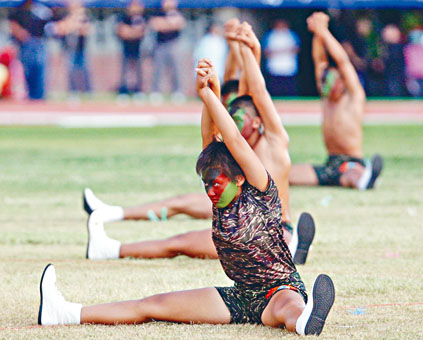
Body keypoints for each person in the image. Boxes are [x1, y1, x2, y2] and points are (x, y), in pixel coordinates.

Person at [38, 50, 335, 336]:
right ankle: (65, 313)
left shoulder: (261, 191)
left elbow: (232, 137)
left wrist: (209, 95)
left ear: (240, 178)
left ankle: (304, 321)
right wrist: (207, 92)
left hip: (279, 289)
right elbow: (210, 140)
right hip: (241, 298)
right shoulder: (220, 198)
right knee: (151, 305)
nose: (210, 191)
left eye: (216, 183)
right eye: (206, 184)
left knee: (289, 308)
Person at [83, 20, 315, 265]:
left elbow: (256, 93)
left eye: (238, 119)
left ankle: (110, 248)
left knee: (178, 242)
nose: (233, 124)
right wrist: (209, 90)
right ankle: (110, 233)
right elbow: (214, 129)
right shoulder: (232, 150)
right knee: (179, 227)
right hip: (240, 225)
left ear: (257, 122)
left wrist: (248, 50)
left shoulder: (273, 144)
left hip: (268, 231)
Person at [288, 12, 383, 190]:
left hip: (351, 163)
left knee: (351, 178)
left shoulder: (353, 97)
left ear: (342, 83)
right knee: (288, 174)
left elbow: (343, 61)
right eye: (324, 81)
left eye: (331, 81)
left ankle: (366, 177)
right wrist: (316, 32)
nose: (325, 85)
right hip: (330, 164)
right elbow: (320, 61)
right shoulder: (327, 98)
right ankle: (364, 178)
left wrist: (324, 31)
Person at [8, 0, 53, 100]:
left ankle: (39, 96)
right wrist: (21, 34)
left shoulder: (42, 10)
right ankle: (29, 96)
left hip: (39, 42)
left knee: (40, 70)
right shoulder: (18, 9)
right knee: (27, 71)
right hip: (26, 44)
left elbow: (49, 26)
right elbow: (13, 24)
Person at [149, 0, 186, 103]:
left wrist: (166, 24)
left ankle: (178, 91)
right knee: (158, 69)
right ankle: (156, 91)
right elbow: (156, 25)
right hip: (160, 44)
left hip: (174, 44)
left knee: (176, 68)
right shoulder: (157, 13)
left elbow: (180, 24)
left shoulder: (178, 13)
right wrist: (170, 24)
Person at [261, 19, 301, 97]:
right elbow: (266, 51)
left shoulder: (292, 35)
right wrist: (284, 50)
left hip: (289, 67)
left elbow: (296, 49)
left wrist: (278, 51)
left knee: (290, 90)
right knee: (275, 89)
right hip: (274, 67)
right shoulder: (270, 36)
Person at [116, 0, 146, 98]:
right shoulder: (124, 18)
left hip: (139, 48)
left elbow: (143, 32)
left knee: (138, 70)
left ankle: (138, 91)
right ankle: (124, 91)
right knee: (125, 70)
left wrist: (131, 32)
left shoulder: (143, 18)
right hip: (126, 48)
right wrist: (134, 32)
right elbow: (122, 31)